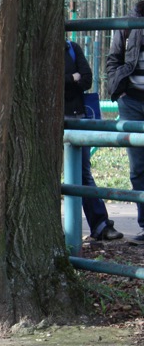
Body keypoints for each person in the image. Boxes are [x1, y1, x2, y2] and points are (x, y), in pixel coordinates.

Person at [66, 39, 122, 242]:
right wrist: (71, 78)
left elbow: (87, 79)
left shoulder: (72, 48)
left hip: (77, 117)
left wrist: (69, 80)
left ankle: (100, 225)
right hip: (49, 120)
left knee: (83, 174)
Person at [106, 0, 144, 245]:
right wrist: (117, 88)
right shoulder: (128, 22)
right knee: (139, 167)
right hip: (131, 101)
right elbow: (113, 59)